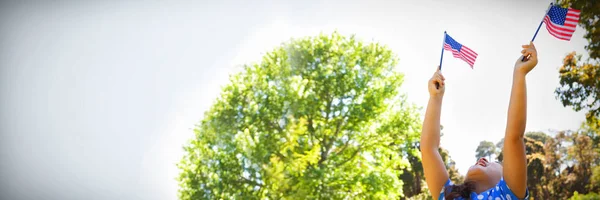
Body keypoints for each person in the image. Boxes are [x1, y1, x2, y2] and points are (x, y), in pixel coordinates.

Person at [421, 42, 538, 200]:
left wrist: (520, 74)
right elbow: (429, 149)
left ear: (505, 178)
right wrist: (435, 97)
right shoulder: (451, 196)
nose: (482, 159)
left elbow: (514, 137)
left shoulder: (507, 194)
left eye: (495, 162)